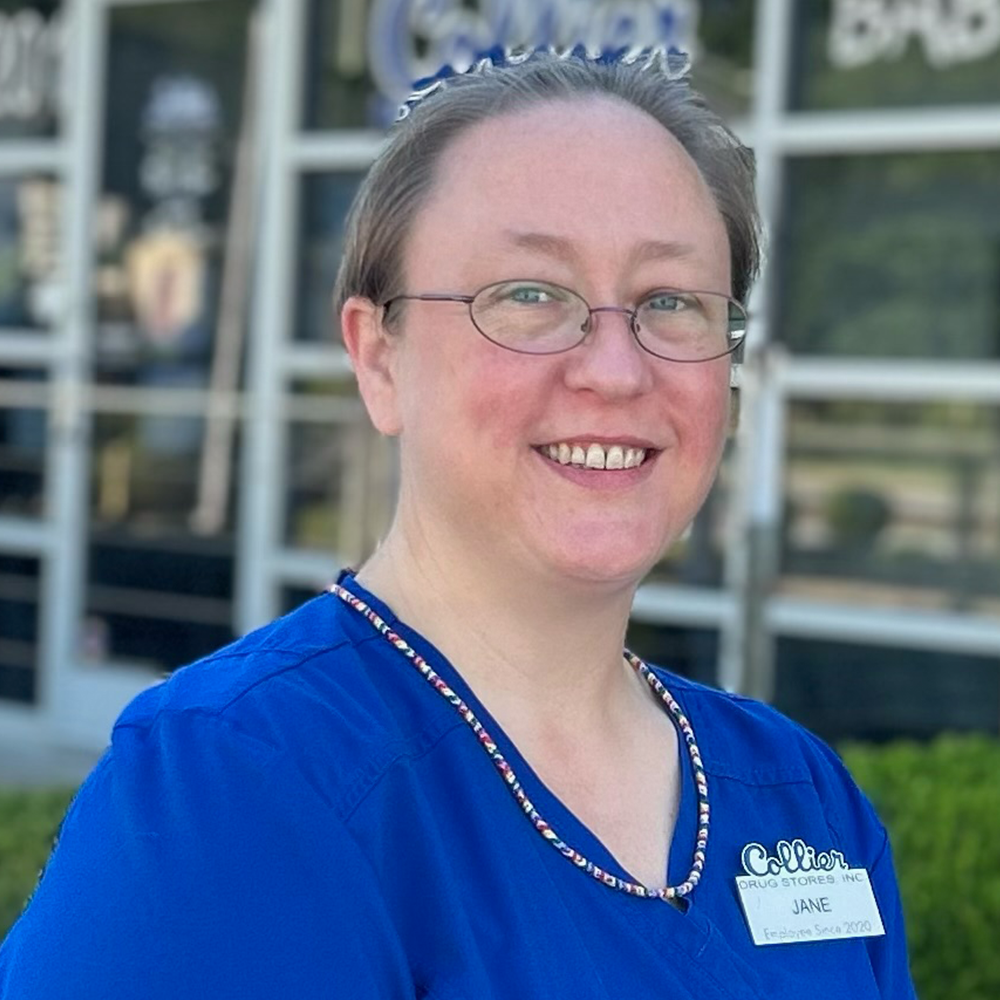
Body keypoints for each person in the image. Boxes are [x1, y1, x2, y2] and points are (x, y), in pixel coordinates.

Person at [0, 46, 916, 999]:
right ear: (378, 357)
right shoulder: (234, 784)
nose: (614, 368)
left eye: (672, 302)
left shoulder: (801, 800)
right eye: (529, 295)